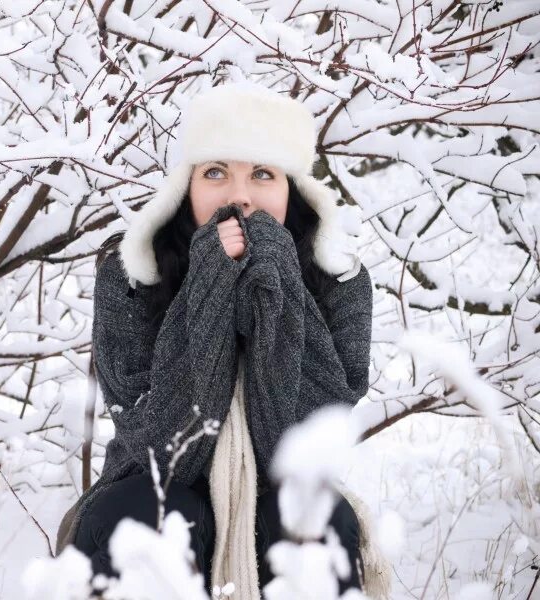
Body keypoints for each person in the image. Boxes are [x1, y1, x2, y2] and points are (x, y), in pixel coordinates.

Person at [55, 82, 374, 598]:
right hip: (149, 488)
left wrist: (281, 289)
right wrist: (208, 286)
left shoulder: (341, 283)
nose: (239, 196)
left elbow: (303, 445)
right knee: (154, 513)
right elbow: (161, 451)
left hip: (283, 496)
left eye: (263, 174)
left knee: (310, 525)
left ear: (293, 187)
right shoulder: (131, 277)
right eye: (216, 172)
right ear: (187, 185)